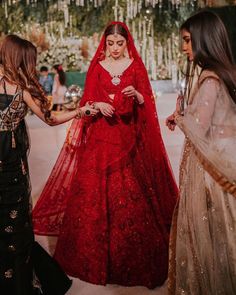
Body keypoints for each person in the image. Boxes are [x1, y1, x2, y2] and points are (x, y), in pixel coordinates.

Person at [33, 22, 178, 289]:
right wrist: (96, 104)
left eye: (119, 44)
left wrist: (138, 96)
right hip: (100, 142)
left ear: (127, 43)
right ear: (105, 43)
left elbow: (149, 103)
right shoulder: (97, 68)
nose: (113, 48)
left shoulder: (135, 66)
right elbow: (86, 103)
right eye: (110, 43)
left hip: (127, 142)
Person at [0, 34, 97, 295]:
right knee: (14, 225)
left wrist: (78, 111)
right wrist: (79, 111)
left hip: (9, 166)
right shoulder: (22, 89)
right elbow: (51, 118)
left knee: (10, 222)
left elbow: (51, 117)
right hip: (9, 166)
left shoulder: (22, 88)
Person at [166, 11, 236, 295]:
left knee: (209, 231)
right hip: (222, 155)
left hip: (209, 170)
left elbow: (198, 127)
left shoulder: (209, 80)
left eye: (187, 40)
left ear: (203, 40)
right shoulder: (222, 73)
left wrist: (180, 118)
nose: (184, 47)